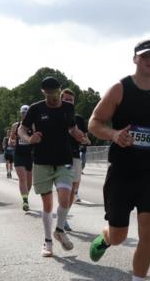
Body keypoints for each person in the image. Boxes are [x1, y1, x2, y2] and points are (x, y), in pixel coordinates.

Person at [88, 39, 150, 281]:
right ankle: (105, 239)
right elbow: (94, 122)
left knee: (147, 230)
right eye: (145, 56)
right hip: (122, 171)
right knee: (119, 236)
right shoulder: (119, 89)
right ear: (135, 59)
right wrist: (115, 135)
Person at [18, 77, 86, 257]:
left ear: (60, 90)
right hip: (42, 161)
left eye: (55, 93)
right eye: (49, 94)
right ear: (43, 93)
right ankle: (48, 242)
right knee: (47, 204)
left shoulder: (68, 107)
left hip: (64, 159)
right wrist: (29, 138)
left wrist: (78, 135)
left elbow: (71, 128)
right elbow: (21, 129)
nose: (53, 97)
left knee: (65, 199)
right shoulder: (36, 108)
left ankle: (59, 230)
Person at [61, 88, 91, 230]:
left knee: (73, 190)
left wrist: (85, 140)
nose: (68, 102)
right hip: (60, 157)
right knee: (65, 189)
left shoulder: (78, 118)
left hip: (75, 155)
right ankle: (61, 218)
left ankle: (64, 216)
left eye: (70, 100)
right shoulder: (56, 115)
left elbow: (85, 138)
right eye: (65, 99)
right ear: (61, 100)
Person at [10, 105, 34, 211]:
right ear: (20, 114)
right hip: (19, 154)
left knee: (29, 181)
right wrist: (12, 142)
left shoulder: (33, 125)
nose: (25, 115)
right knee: (22, 178)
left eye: (27, 113)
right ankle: (25, 201)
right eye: (23, 113)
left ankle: (25, 197)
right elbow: (11, 139)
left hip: (30, 155)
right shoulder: (16, 126)